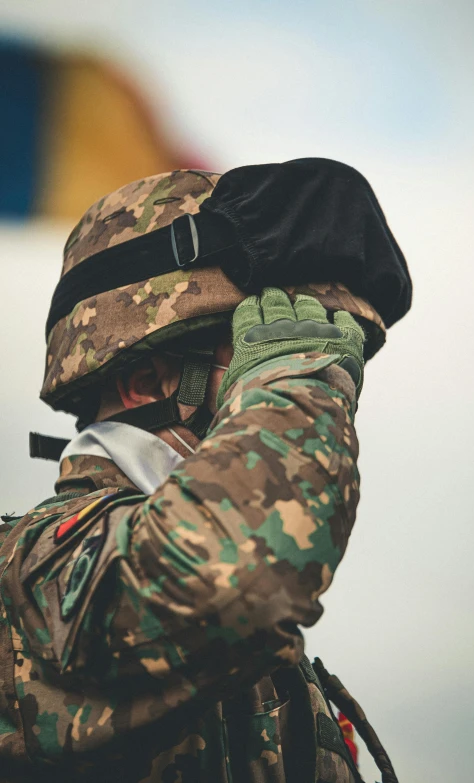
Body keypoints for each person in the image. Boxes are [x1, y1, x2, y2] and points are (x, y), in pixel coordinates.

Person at [0, 166, 404, 783]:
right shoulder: (33, 572)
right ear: (146, 380)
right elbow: (237, 570)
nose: (325, 387)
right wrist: (295, 383)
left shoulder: (275, 668)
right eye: (255, 350)